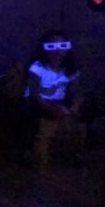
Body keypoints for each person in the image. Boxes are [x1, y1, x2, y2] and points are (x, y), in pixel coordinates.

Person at [26, 31, 84, 170]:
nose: (57, 51)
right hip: (38, 103)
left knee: (76, 123)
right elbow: (35, 94)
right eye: (52, 46)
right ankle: (41, 161)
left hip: (60, 102)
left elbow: (76, 92)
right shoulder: (37, 67)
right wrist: (51, 109)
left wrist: (75, 106)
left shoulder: (70, 70)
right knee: (46, 124)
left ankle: (71, 158)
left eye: (62, 46)